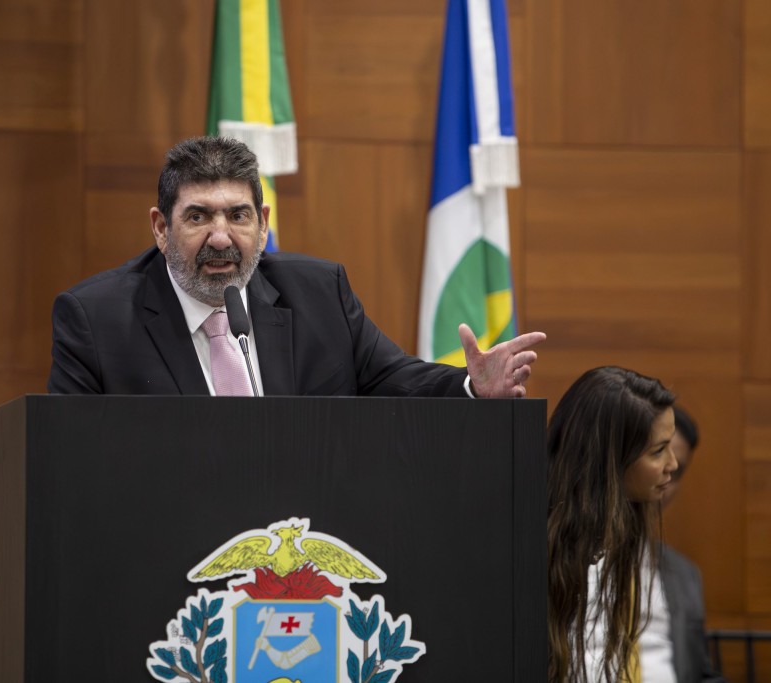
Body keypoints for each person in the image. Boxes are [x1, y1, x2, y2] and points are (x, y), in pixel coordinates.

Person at [48, 136, 545, 396]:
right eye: (198, 217)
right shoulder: (96, 320)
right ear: (160, 228)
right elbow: (70, 457)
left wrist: (471, 385)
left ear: (263, 224)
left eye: (238, 216)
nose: (220, 237)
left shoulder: (319, 294)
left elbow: (397, 381)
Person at [547, 367, 679, 682]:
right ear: (611, 458)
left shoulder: (628, 534)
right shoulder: (536, 546)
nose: (672, 464)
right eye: (658, 451)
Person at [646, 406, 725, 682]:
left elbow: (699, 672)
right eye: (656, 456)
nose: (666, 477)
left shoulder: (685, 575)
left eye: (676, 472)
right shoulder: (561, 561)